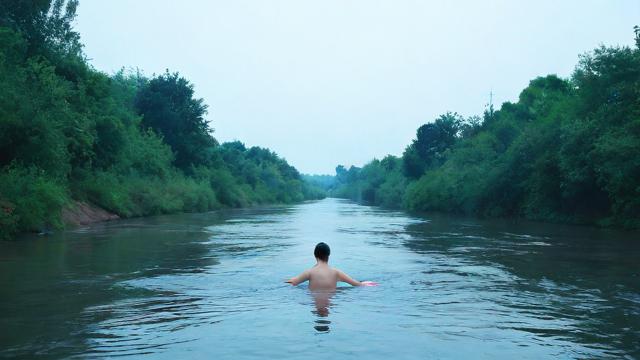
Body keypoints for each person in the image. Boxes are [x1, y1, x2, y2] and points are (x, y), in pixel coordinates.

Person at [286, 242, 376, 290]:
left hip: (313, 299)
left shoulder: (310, 272)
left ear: (315, 255)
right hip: (331, 299)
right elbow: (356, 284)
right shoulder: (336, 272)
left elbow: (293, 282)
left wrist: (287, 280)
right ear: (328, 255)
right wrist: (364, 283)